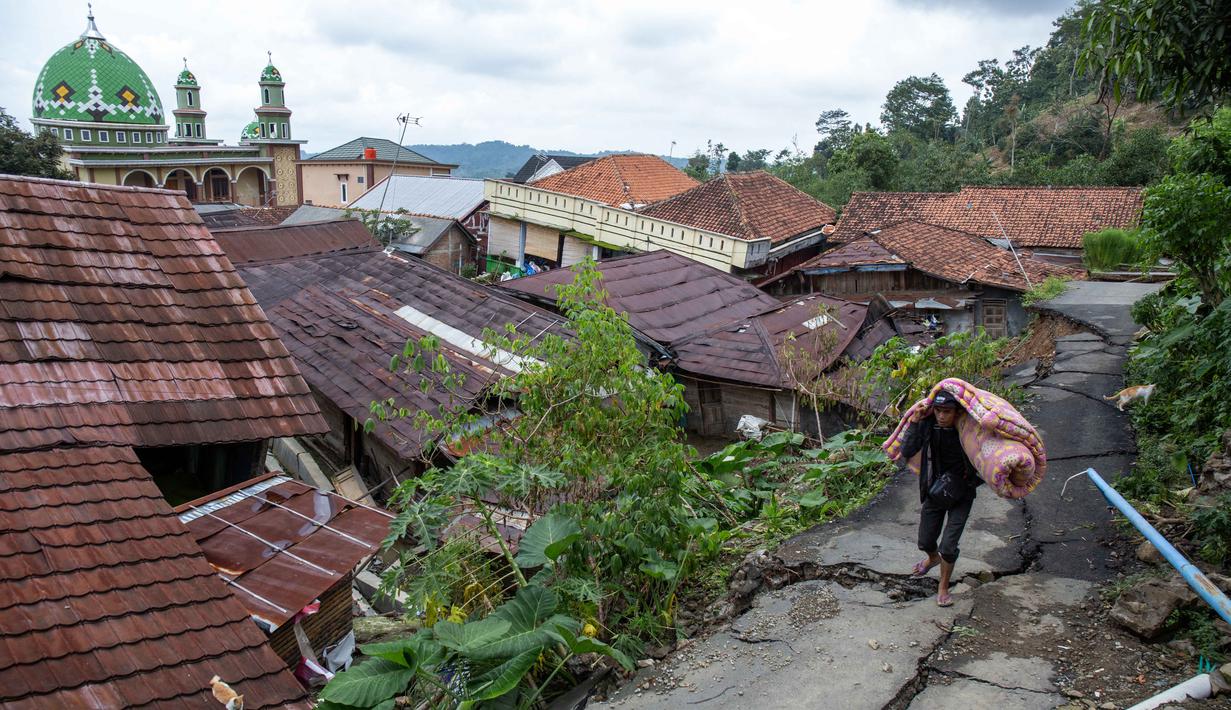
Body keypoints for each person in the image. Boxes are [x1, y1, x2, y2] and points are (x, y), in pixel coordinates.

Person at [899, 390, 982, 607]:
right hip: (935, 489)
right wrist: (915, 422)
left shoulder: (968, 429)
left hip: (962, 492)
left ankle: (943, 587)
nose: (941, 416)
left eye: (947, 412)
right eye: (938, 411)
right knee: (925, 541)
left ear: (957, 412)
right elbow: (907, 449)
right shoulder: (928, 426)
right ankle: (932, 558)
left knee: (948, 546)